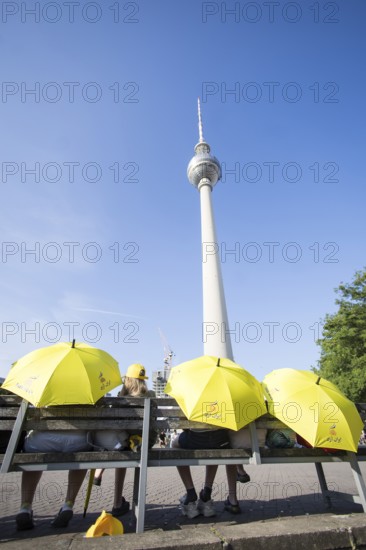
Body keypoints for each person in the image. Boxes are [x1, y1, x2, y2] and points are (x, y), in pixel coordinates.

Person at [92, 363, 155, 517]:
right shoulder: (150, 395)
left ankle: (101, 474)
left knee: (118, 444)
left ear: (127, 381)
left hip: (125, 442)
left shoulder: (121, 400)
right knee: (126, 446)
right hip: (145, 441)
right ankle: (117, 503)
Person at [16, 429, 90, 530]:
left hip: (42, 441)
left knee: (32, 454)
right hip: (78, 441)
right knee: (84, 452)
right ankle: (68, 504)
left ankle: (25, 507)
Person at [171, 428, 240, 518]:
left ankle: (190, 491)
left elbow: (183, 425)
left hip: (195, 439)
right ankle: (207, 492)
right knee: (214, 448)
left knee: (175, 445)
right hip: (220, 440)